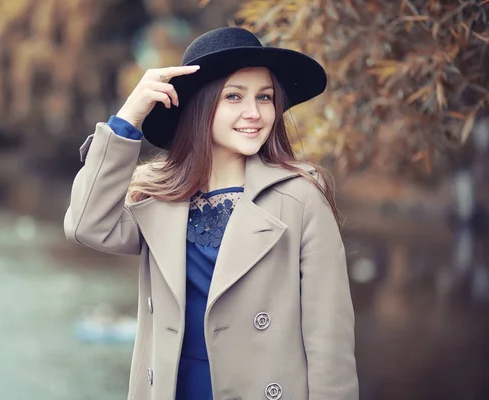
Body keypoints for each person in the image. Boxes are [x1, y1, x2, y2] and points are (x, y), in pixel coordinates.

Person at [64, 27, 358, 400]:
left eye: (264, 97)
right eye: (234, 96)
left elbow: (329, 342)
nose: (254, 113)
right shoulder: (158, 195)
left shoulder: (301, 197)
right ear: (200, 106)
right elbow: (86, 225)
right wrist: (128, 117)